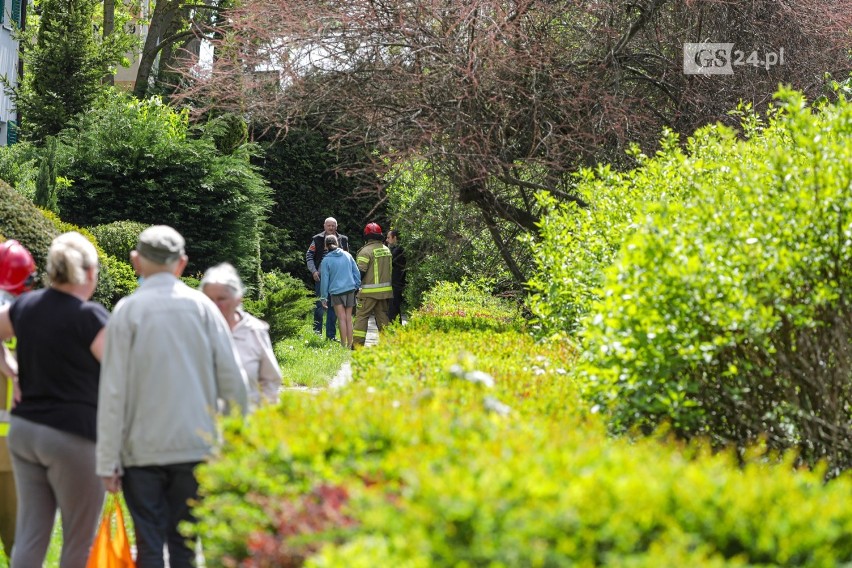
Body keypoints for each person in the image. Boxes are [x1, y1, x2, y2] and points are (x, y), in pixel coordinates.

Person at [96, 225, 248, 568]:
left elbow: (112, 391)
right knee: (185, 545)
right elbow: (233, 381)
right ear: (181, 264)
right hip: (197, 448)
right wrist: (239, 441)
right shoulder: (204, 309)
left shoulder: (126, 311)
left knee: (149, 547)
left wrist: (107, 461)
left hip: (141, 452)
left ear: (136, 262)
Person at [0, 232, 108, 567]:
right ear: (89, 273)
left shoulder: (25, 307)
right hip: (73, 437)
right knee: (79, 541)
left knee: (31, 536)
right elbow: (123, 376)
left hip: (25, 432)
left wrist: (10, 367)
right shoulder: (90, 316)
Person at [200, 262, 282, 411]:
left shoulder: (254, 330)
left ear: (238, 299)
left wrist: (265, 416)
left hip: (248, 421)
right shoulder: (196, 331)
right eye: (209, 299)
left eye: (221, 299)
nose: (215, 305)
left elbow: (270, 380)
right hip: (204, 424)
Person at [0, 239, 37, 559]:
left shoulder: (25, 312)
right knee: (18, 540)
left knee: (19, 540)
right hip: (14, 450)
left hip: (13, 449)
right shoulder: (22, 312)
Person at [306, 217, 349, 340]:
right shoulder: (317, 239)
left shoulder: (343, 240)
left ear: (337, 226)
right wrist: (314, 271)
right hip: (321, 278)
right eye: (328, 225)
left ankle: (331, 335)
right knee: (320, 304)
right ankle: (317, 333)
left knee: (334, 307)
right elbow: (309, 256)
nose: (331, 228)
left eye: (333, 225)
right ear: (324, 226)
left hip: (337, 279)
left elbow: (347, 258)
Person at [353, 223, 393, 347]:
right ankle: (388, 344)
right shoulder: (386, 250)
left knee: (362, 317)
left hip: (368, 293)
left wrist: (354, 288)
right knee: (383, 318)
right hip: (384, 293)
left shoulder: (365, 251)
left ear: (366, 235)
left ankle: (357, 344)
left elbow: (361, 272)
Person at [319, 235, 361, 349]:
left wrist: (323, 297)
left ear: (325, 245)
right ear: (337, 243)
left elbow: (324, 281)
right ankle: (350, 344)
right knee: (348, 318)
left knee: (341, 318)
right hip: (350, 289)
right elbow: (356, 273)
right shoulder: (347, 255)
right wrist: (356, 286)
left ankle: (343, 345)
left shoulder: (326, 260)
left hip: (337, 292)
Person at [385, 229, 407, 323]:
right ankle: (396, 328)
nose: (387, 240)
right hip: (395, 283)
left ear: (395, 238)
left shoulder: (398, 250)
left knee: (393, 309)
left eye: (389, 237)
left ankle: (394, 329)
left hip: (396, 283)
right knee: (394, 309)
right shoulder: (396, 249)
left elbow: (389, 261)